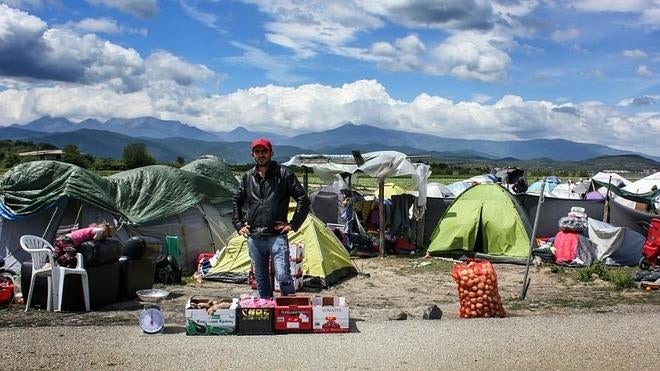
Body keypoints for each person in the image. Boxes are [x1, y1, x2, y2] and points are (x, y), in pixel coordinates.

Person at [232, 138, 310, 298]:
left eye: (264, 151)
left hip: (276, 236)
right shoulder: (248, 177)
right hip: (254, 236)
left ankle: (288, 310)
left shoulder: (284, 174)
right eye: (257, 152)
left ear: (271, 153)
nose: (261, 155)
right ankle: (267, 311)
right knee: (260, 278)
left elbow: (303, 199)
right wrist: (239, 225)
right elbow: (236, 201)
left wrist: (293, 224)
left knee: (283, 276)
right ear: (252, 155)